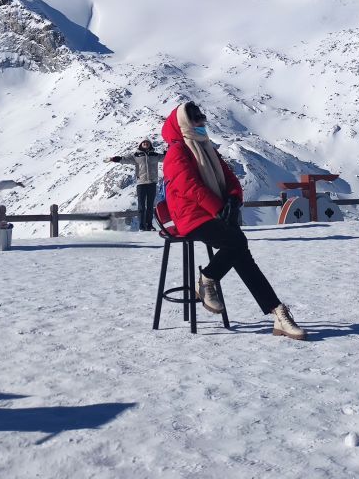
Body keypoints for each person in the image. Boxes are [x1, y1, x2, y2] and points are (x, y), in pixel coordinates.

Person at [161, 102, 307, 340]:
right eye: (196, 119)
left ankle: (277, 312)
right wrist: (219, 209)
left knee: (239, 249)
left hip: (213, 212)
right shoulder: (177, 152)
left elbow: (229, 178)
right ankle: (209, 278)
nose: (201, 123)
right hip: (191, 216)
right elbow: (190, 187)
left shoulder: (206, 147)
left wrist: (232, 199)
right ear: (184, 123)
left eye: (202, 118)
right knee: (237, 243)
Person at [104, 140, 165, 231]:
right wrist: (113, 159)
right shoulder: (136, 155)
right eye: (144, 143)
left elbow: (165, 158)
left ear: (150, 145)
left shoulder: (155, 155)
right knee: (141, 206)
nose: (145, 144)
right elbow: (124, 159)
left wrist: (167, 152)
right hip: (141, 183)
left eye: (147, 143)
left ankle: (149, 225)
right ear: (140, 144)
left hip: (152, 183)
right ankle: (141, 226)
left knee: (150, 206)